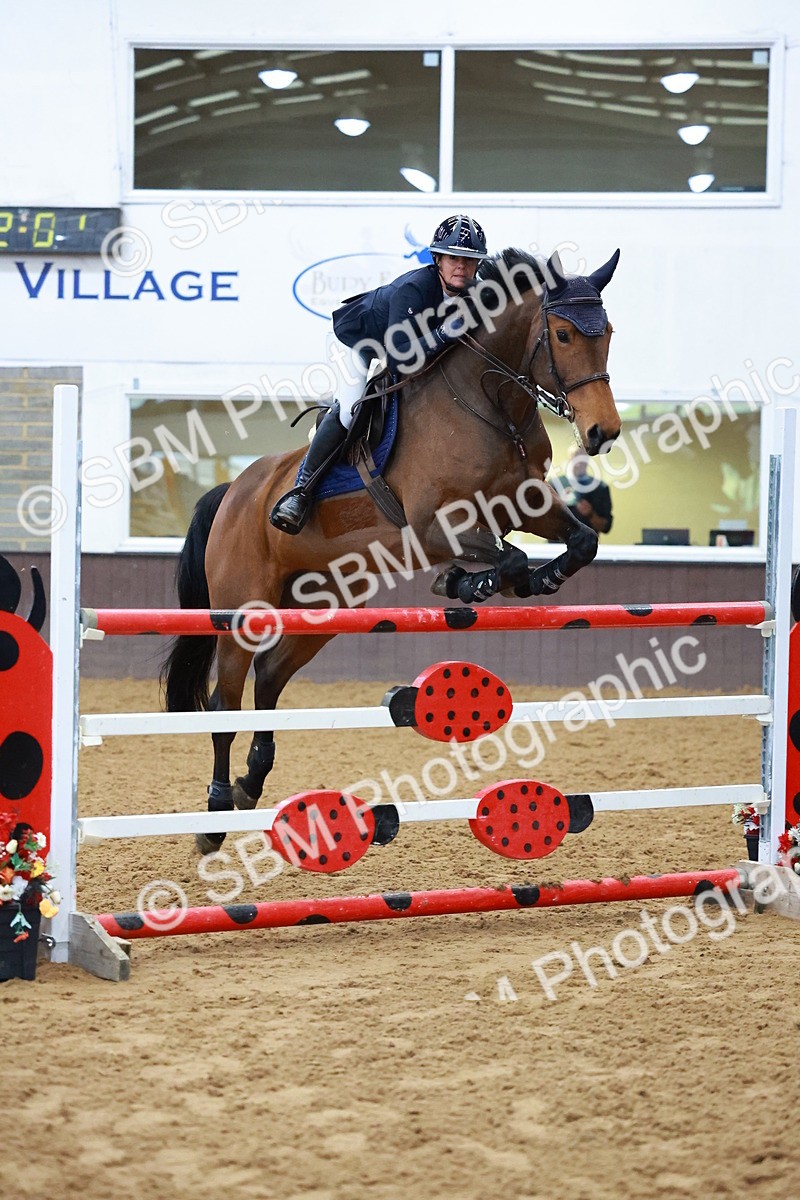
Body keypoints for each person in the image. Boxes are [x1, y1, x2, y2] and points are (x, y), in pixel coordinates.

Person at [270, 214, 487, 535]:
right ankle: (301, 491)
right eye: (454, 258)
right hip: (360, 340)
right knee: (350, 409)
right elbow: (401, 359)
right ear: (438, 259)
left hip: (406, 346)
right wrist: (442, 335)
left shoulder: (477, 293)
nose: (461, 267)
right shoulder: (413, 289)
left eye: (469, 260)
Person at [556, 446, 614, 535]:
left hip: (586, 544)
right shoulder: (555, 485)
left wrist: (591, 514)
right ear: (570, 459)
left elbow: (606, 527)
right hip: (557, 545)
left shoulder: (600, 488)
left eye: (583, 457)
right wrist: (558, 504)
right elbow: (541, 521)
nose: (579, 462)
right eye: (576, 457)